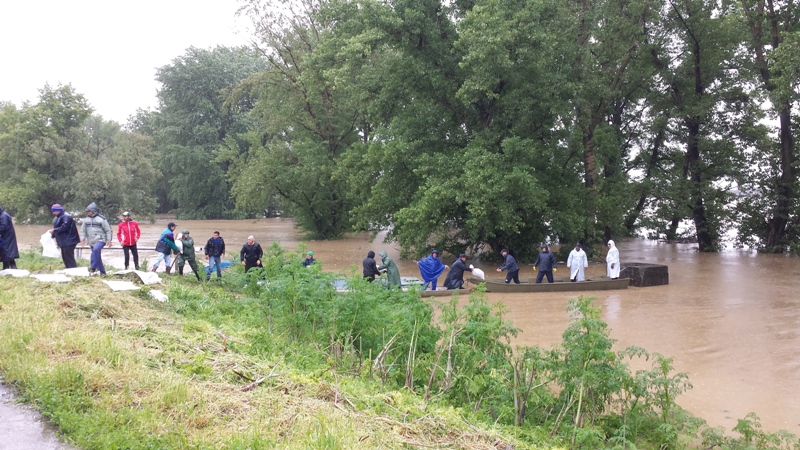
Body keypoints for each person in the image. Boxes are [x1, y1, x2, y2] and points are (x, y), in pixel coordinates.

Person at [80, 202, 112, 275]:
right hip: (91, 240)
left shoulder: (102, 219)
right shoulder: (86, 220)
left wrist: (109, 240)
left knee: (95, 250)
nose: (88, 212)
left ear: (93, 211)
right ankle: (102, 272)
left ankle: (93, 267)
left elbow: (108, 230)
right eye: (87, 211)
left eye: (89, 211)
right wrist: (82, 239)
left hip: (101, 239)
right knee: (96, 256)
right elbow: (83, 230)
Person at [48, 204, 81, 269]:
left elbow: (65, 227)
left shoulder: (66, 216)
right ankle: (68, 269)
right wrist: (53, 235)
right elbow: (57, 227)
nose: (53, 213)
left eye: (54, 211)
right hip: (63, 241)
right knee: (65, 257)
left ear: (58, 210)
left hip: (69, 240)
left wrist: (54, 230)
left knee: (69, 257)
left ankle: (73, 270)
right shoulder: (57, 217)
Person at [0, 205, 19, 270]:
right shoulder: (2, 215)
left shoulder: (4, 216)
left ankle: (6, 268)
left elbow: (3, 227)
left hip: (8, 237)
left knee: (6, 252)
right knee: (8, 253)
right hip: (6, 236)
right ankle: (13, 267)